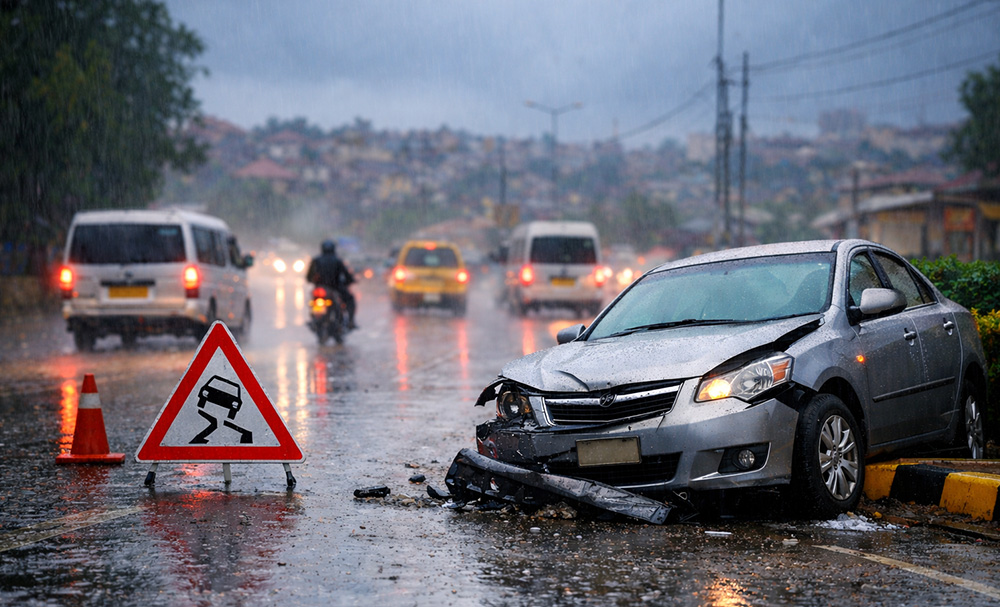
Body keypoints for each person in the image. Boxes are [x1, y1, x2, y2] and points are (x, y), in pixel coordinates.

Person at [307, 239, 357, 328]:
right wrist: (350, 280)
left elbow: (308, 276)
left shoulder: (316, 260)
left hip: (320, 287)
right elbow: (347, 275)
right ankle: (350, 321)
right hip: (335, 287)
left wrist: (313, 281)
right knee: (350, 299)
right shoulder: (337, 260)